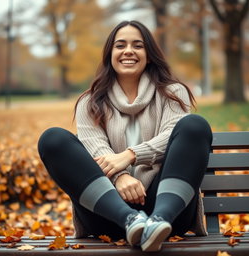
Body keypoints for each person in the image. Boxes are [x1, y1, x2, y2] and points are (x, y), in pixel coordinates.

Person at [38, 20, 212, 252]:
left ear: (149, 55)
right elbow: (95, 149)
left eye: (137, 45)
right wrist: (119, 176)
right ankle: (131, 220)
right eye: (120, 45)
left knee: (195, 125)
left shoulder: (172, 93)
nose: (128, 51)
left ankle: (156, 222)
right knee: (53, 138)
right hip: (107, 214)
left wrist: (131, 155)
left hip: (169, 215)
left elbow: (174, 135)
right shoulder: (89, 102)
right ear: (110, 54)